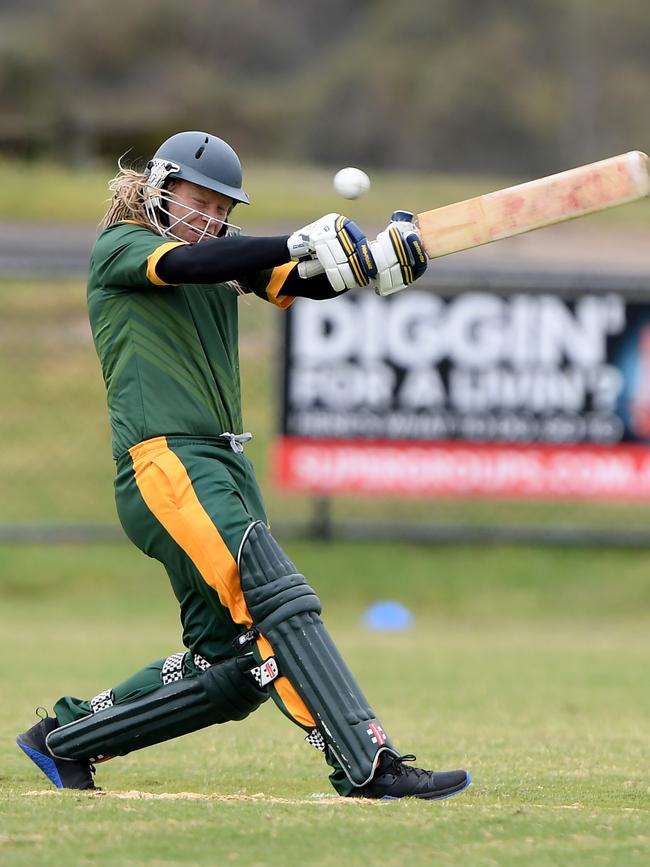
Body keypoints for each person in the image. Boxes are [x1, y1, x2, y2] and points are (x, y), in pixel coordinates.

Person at [16, 130, 470, 800]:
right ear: (159, 189)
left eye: (222, 207)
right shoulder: (126, 246)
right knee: (273, 599)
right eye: (198, 201)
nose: (210, 217)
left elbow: (302, 280)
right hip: (167, 461)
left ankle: (65, 738)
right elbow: (194, 263)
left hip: (222, 464)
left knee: (229, 667)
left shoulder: (221, 254)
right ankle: (369, 764)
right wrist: (294, 241)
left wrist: (373, 263)